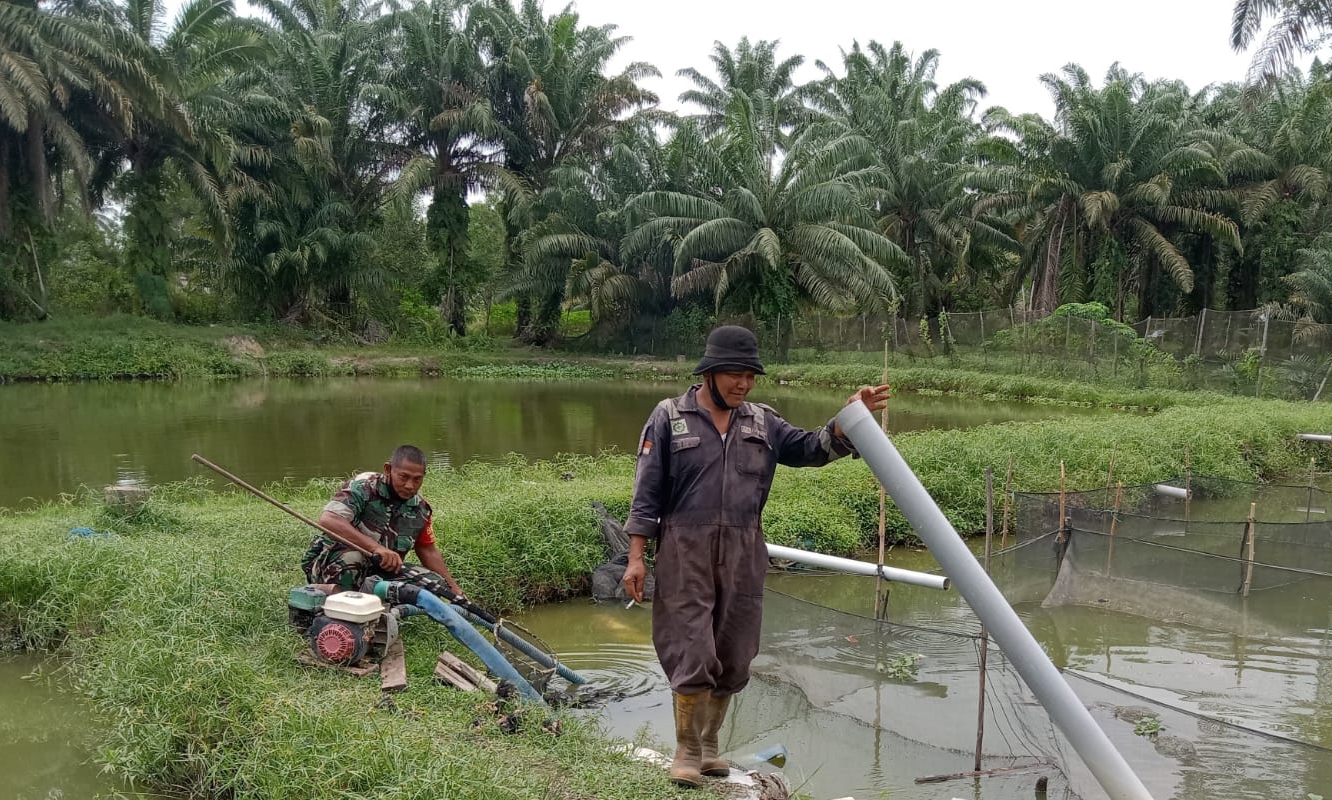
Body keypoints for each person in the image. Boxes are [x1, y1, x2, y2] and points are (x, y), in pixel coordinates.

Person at [621, 325, 889, 788]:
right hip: (685, 549)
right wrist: (636, 557)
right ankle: (685, 751)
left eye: (749, 376)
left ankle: (709, 745)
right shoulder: (670, 417)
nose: (742, 385)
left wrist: (848, 421)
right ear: (709, 373)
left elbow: (810, 448)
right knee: (692, 647)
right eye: (733, 375)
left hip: (745, 549)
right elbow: (646, 492)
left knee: (735, 651)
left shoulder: (762, 421)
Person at [301, 444, 465, 602]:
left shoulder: (421, 509)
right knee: (353, 558)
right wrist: (376, 548)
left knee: (434, 583)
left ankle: (375, 602)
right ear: (388, 469)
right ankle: (341, 608)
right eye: (403, 477)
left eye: (417, 479)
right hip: (332, 563)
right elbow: (329, 519)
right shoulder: (364, 486)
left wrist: (454, 590)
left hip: (379, 572)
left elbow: (428, 550)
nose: (410, 485)